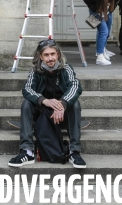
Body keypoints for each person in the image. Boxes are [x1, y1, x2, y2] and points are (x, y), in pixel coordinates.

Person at [7, 40, 85, 168]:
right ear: (41, 57)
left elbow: (76, 86)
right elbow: (27, 89)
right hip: (42, 116)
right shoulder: (35, 71)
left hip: (62, 115)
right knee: (27, 104)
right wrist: (45, 101)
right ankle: (27, 151)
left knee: (75, 104)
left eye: (53, 54)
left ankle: (74, 151)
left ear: (58, 54)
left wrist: (62, 104)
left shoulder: (66, 68)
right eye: (46, 55)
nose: (50, 58)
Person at [84, 0, 117, 66]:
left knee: (106, 32)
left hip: (106, 12)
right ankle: (100, 55)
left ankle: (102, 51)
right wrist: (94, 10)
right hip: (97, 13)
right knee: (104, 32)